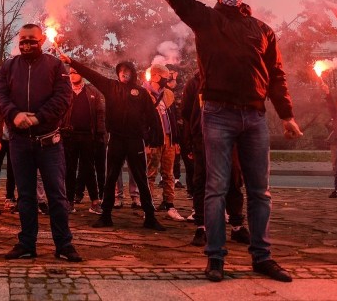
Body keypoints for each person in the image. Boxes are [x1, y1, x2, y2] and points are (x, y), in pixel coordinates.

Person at [127, 0, 302, 283]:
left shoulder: (263, 31)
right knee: (216, 186)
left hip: (254, 116)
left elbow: (276, 75)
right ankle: (215, 257)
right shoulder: (206, 20)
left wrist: (286, 114)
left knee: (259, 190)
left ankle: (262, 256)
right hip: (217, 113)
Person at [0, 24, 81, 262]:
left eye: (32, 39)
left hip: (49, 142)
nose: (26, 43)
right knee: (26, 196)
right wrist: (14, 114)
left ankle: (64, 245)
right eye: (23, 39)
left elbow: (64, 97)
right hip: (20, 143)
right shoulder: (9, 66)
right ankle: (26, 243)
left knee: (57, 195)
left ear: (41, 41)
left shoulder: (55, 65)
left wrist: (38, 117)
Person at [61, 55, 165, 232]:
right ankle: (106, 216)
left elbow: (152, 116)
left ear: (132, 73)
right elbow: (91, 74)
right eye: (121, 71)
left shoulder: (140, 92)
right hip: (116, 139)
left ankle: (150, 217)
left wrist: (153, 140)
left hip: (134, 141)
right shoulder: (110, 87)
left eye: (128, 71)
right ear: (118, 73)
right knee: (110, 177)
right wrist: (71, 62)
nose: (124, 74)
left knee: (141, 178)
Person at [181, 71, 249, 248]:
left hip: (230, 137)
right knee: (201, 181)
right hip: (201, 137)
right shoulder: (193, 83)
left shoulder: (230, 78)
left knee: (233, 180)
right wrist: (188, 141)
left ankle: (236, 226)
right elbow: (187, 114)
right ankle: (202, 227)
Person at [60, 66, 105, 215]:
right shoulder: (65, 91)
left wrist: (99, 134)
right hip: (69, 136)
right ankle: (69, 201)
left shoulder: (93, 92)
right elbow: (59, 112)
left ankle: (95, 202)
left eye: (75, 72)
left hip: (88, 136)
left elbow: (100, 113)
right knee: (70, 170)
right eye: (71, 73)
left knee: (89, 169)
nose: (72, 75)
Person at [144, 63, 185, 221]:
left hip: (169, 139)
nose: (166, 79)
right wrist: (146, 141)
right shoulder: (144, 94)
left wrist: (176, 140)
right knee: (150, 174)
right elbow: (142, 120)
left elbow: (173, 118)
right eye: (164, 76)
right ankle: (149, 207)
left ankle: (170, 205)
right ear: (154, 76)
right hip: (154, 140)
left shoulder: (168, 94)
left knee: (169, 173)